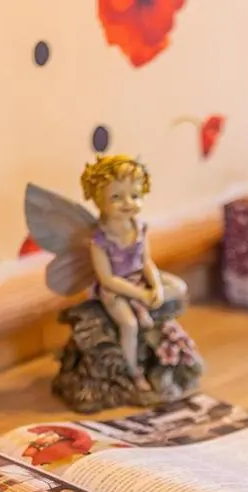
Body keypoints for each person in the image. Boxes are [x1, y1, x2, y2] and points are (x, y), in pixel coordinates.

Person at [80, 155, 188, 391]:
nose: (128, 203)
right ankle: (133, 371)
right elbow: (107, 279)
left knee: (178, 288)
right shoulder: (100, 240)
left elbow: (146, 260)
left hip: (139, 279)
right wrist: (141, 295)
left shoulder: (139, 228)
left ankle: (167, 350)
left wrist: (156, 286)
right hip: (115, 290)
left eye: (135, 195)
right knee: (129, 325)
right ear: (99, 200)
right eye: (116, 197)